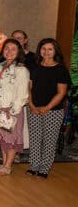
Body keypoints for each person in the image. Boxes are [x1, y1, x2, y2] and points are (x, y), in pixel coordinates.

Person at [27, 38, 70, 179]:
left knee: (49, 141)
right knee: (35, 139)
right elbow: (29, 88)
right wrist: (31, 105)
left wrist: (48, 107)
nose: (46, 52)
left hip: (53, 111)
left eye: (50, 49)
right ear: (39, 50)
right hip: (34, 108)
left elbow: (61, 92)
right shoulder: (35, 67)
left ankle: (44, 169)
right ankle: (33, 166)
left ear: (55, 51)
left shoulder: (61, 69)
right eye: (43, 49)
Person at [0, 39, 29, 175]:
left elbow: (23, 94)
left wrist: (11, 110)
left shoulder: (21, 70)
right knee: (2, 137)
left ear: (19, 52)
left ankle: (8, 166)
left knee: (11, 138)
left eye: (13, 49)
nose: (9, 51)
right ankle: (3, 163)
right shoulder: (0, 67)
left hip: (11, 111)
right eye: (6, 48)